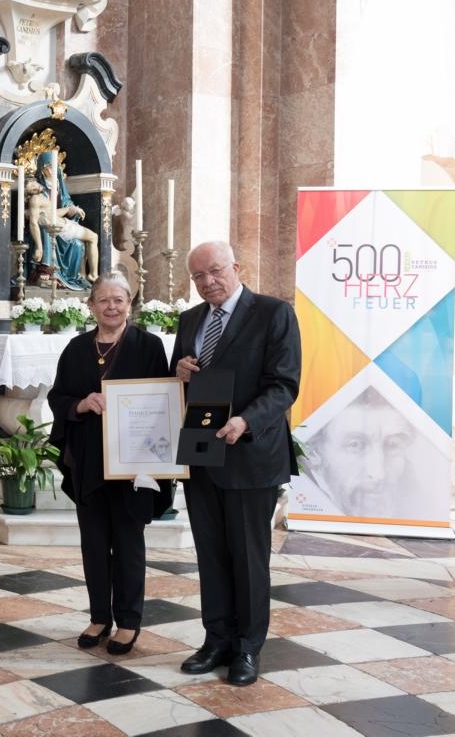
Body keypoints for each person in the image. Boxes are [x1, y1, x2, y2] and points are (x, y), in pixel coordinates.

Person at [172, 240, 301, 686]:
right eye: (199, 277)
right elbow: (181, 379)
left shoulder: (273, 313)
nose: (208, 282)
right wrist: (181, 372)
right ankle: (216, 639)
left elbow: (284, 385)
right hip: (201, 455)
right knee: (210, 553)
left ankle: (248, 647)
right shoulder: (189, 319)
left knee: (248, 557)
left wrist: (247, 421)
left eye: (215, 271)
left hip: (250, 455)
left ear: (237, 267)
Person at [47, 273, 172, 656]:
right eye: (104, 300)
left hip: (133, 462)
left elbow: (164, 399)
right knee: (94, 543)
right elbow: (58, 397)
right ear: (91, 305)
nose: (112, 306)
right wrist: (81, 404)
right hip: (88, 459)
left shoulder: (148, 346)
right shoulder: (75, 348)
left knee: (129, 542)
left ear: (129, 305)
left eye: (119, 299)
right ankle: (99, 616)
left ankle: (129, 621)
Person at [303, 386, 440, 520]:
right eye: (355, 445)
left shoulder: (425, 507)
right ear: (314, 452)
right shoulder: (300, 498)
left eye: (393, 445)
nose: (378, 474)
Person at [27, 150, 99, 289]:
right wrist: (39, 248)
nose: (53, 169)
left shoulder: (59, 186)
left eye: (55, 166)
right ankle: (46, 271)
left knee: (79, 244)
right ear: (43, 170)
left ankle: (82, 276)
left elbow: (66, 202)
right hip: (52, 227)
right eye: (49, 166)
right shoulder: (38, 196)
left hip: (62, 224)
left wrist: (72, 209)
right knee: (47, 230)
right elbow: (37, 219)